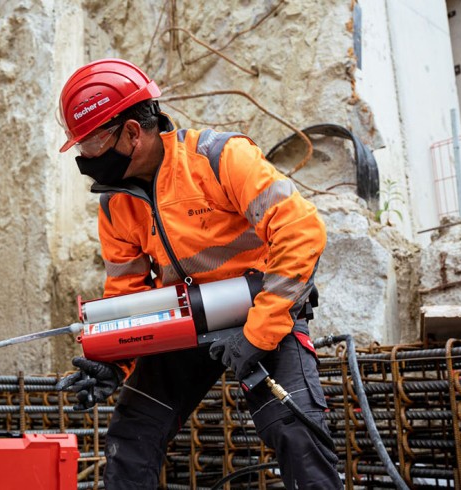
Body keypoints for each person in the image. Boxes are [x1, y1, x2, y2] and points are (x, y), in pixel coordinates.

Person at [54, 58, 341, 489]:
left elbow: (301, 231)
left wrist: (258, 335)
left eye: (92, 144)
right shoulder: (117, 205)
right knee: (131, 437)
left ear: (133, 131)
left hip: (261, 309)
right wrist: (114, 359)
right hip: (185, 322)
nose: (85, 158)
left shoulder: (219, 158)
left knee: (295, 429)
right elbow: (127, 293)